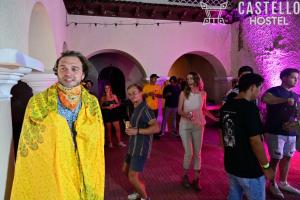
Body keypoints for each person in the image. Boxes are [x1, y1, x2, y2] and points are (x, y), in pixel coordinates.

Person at [11, 50, 105, 199]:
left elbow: (97, 138)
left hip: (84, 164)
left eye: (74, 69)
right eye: (63, 68)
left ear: (82, 75)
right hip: (55, 166)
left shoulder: (91, 103)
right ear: (57, 72)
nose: (68, 72)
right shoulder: (38, 102)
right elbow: (32, 146)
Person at [220, 73, 274, 200]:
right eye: (259, 88)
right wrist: (266, 167)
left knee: (234, 195)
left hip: (231, 163)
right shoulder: (249, 108)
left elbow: (223, 135)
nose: (259, 92)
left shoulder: (227, 105)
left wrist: (230, 154)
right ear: (252, 87)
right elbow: (255, 140)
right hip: (249, 168)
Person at [262, 68, 300, 199]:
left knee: (288, 156)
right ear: (284, 78)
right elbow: (265, 99)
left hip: (291, 132)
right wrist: (284, 100)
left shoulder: (296, 96)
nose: (296, 80)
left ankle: (283, 182)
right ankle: (272, 184)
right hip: (275, 131)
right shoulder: (274, 91)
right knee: (275, 158)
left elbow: (297, 114)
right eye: (293, 77)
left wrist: (296, 124)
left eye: (297, 78)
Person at [178, 72, 218, 191]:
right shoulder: (183, 93)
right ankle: (184, 176)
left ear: (196, 79)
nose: (189, 80)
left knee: (198, 153)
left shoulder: (203, 93)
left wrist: (215, 118)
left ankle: (196, 179)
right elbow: (179, 111)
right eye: (187, 78)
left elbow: (204, 109)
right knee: (188, 153)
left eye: (191, 78)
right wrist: (187, 115)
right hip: (185, 125)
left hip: (199, 125)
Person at [122, 84, 160, 200]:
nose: (132, 95)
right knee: (125, 171)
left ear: (141, 93)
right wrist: (130, 128)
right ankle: (138, 190)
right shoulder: (135, 108)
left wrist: (136, 130)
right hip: (132, 146)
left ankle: (144, 197)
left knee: (132, 177)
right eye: (129, 94)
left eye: (134, 92)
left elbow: (156, 128)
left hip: (141, 148)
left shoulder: (145, 109)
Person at [100, 83, 126, 148]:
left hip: (114, 113)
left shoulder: (114, 96)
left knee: (117, 129)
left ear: (110, 89)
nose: (107, 89)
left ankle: (119, 142)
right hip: (107, 114)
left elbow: (118, 104)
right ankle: (110, 143)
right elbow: (101, 107)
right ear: (104, 89)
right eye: (105, 88)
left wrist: (114, 106)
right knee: (109, 129)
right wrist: (107, 107)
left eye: (108, 88)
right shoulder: (103, 98)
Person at [143, 74, 162, 139]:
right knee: (149, 121)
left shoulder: (158, 87)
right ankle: (148, 134)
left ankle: (155, 135)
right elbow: (143, 96)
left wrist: (156, 95)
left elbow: (161, 96)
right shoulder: (146, 87)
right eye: (154, 78)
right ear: (151, 79)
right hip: (148, 107)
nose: (156, 80)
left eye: (156, 79)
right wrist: (148, 94)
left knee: (155, 121)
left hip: (156, 107)